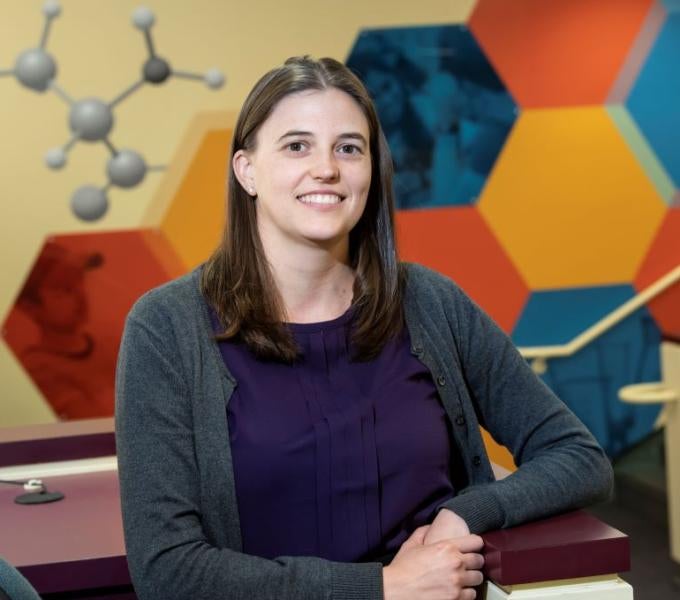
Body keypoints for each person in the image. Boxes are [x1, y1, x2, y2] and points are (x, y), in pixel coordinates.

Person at [115, 56, 613, 600]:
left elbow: (578, 457)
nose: (326, 168)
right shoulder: (165, 327)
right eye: (296, 145)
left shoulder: (428, 301)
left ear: (372, 169)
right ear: (246, 170)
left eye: (349, 147)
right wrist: (381, 587)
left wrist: (463, 512)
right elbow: (168, 572)